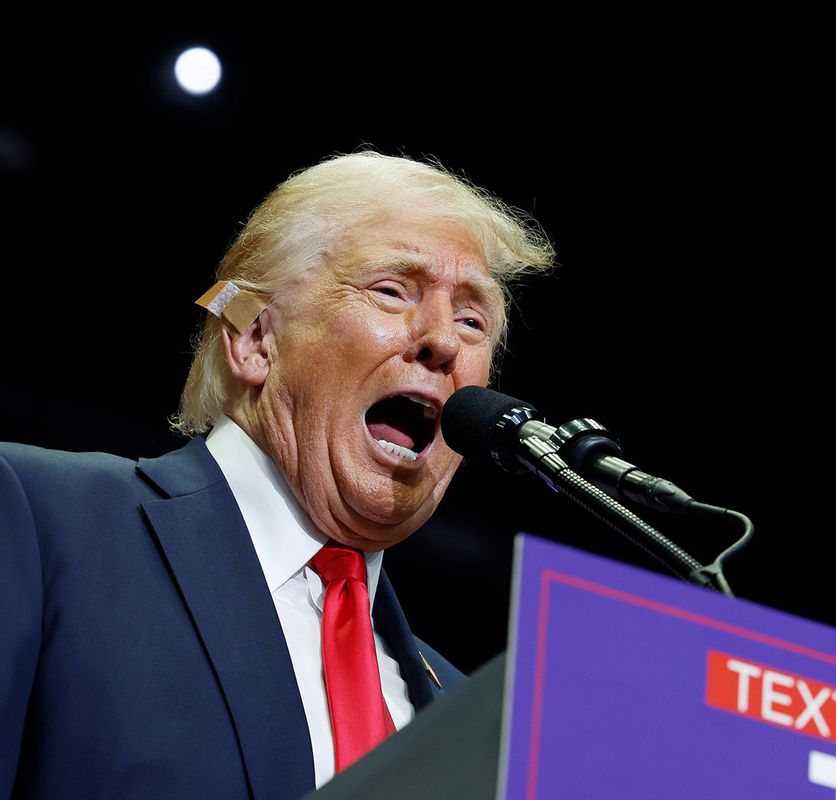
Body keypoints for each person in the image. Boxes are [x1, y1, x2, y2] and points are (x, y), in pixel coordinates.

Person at [0, 151, 555, 799]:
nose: (443, 341)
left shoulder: (470, 716)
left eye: (472, 320)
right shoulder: (39, 519)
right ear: (256, 340)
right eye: (391, 290)